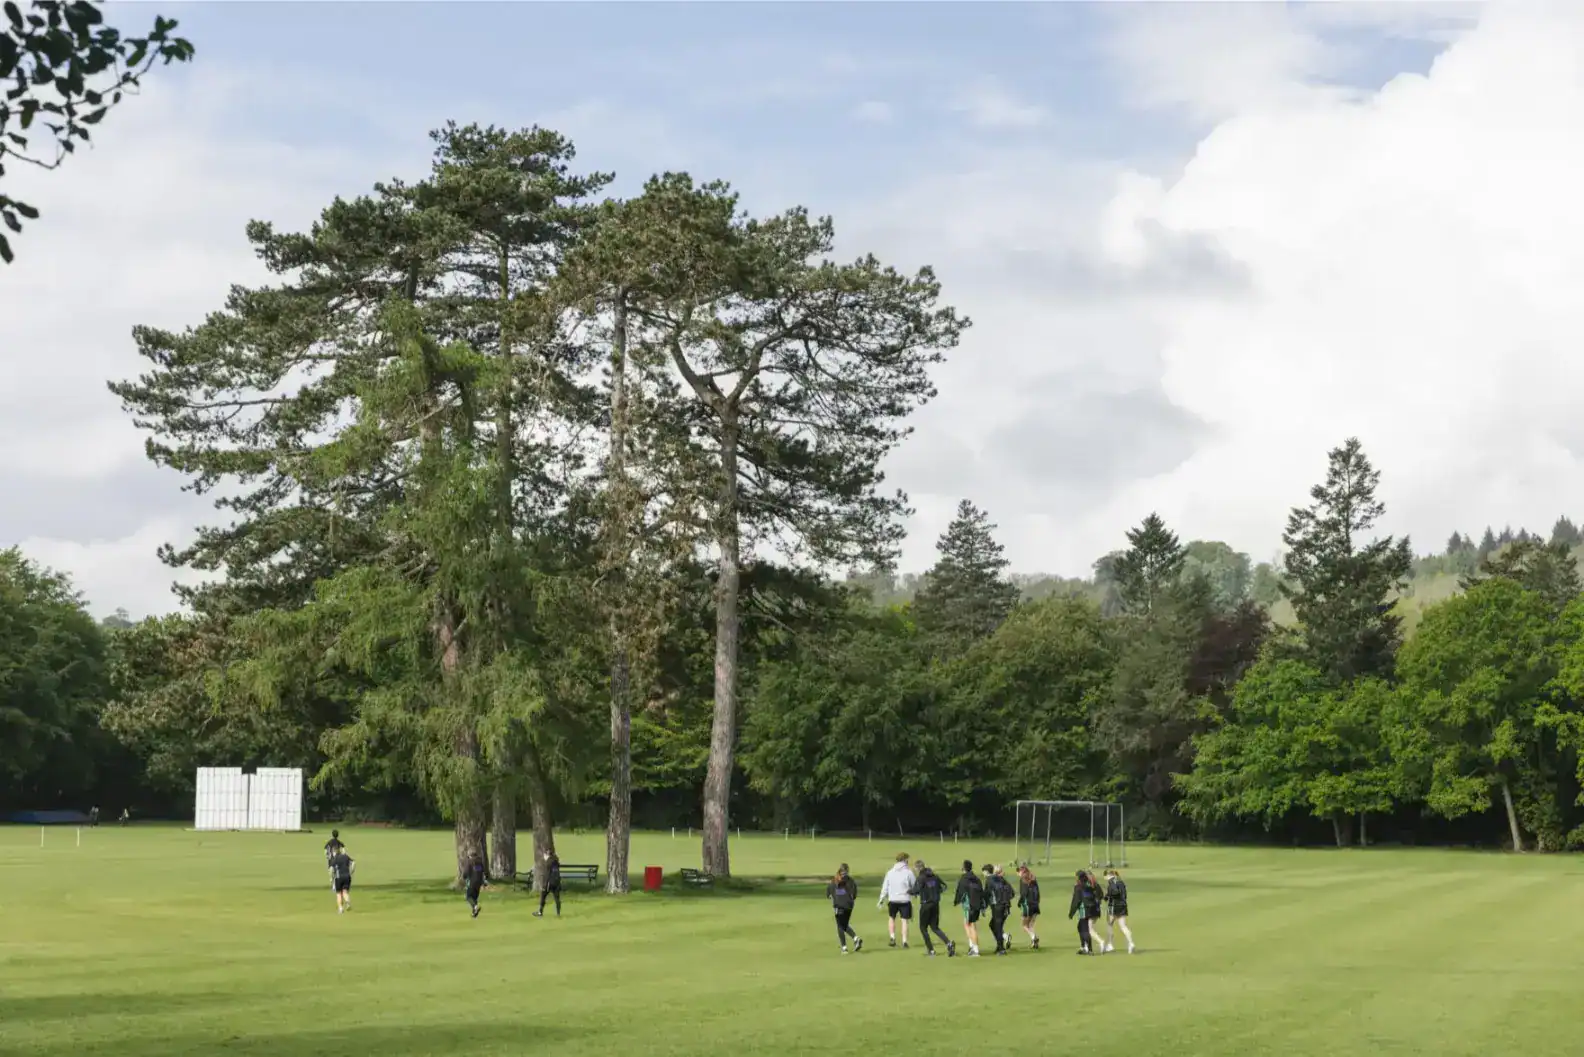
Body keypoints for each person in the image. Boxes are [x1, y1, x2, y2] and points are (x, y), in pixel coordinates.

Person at [910, 859, 955, 957]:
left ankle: (931, 950)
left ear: (918, 868)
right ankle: (949, 943)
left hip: (926, 905)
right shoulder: (934, 876)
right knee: (934, 927)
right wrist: (936, 893)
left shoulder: (921, 878)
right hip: (935, 904)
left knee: (923, 928)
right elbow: (944, 886)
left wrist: (908, 891)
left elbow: (916, 890)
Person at [877, 851, 915, 948]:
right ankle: (904, 941)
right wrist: (914, 893)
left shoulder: (890, 872)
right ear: (905, 860)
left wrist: (881, 899)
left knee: (891, 918)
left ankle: (892, 938)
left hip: (893, 899)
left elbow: (885, 887)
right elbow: (914, 885)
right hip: (905, 899)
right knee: (904, 921)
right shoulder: (908, 872)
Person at [826, 863, 864, 954]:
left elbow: (828, 894)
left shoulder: (834, 881)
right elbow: (854, 895)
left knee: (840, 926)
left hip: (839, 906)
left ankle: (844, 947)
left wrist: (835, 897)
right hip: (849, 906)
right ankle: (856, 939)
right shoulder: (851, 881)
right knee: (844, 924)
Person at [952, 858, 986, 957]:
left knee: (970, 926)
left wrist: (956, 901)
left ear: (963, 868)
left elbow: (960, 892)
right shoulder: (976, 879)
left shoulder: (964, 879)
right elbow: (981, 892)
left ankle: (975, 949)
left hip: (969, 906)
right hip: (976, 905)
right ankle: (972, 946)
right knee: (970, 925)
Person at [1102, 868, 1135, 954]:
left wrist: (1107, 896)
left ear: (1108, 875)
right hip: (1123, 905)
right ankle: (1131, 943)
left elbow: (1114, 892)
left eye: (1105, 876)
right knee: (1123, 926)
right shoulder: (1121, 881)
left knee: (1109, 924)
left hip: (1114, 906)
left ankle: (1110, 944)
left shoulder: (1112, 882)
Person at [1067, 869, 1100, 954]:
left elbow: (1076, 900)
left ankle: (1088, 949)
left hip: (1084, 910)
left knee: (1084, 929)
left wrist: (1071, 913)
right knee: (1080, 927)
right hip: (1092, 908)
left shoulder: (1078, 886)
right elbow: (1099, 894)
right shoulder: (1090, 884)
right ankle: (1084, 947)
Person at [985, 864, 1016, 955]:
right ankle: (999, 945)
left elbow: (987, 893)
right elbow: (1012, 893)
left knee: (997, 927)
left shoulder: (992, 880)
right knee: (993, 925)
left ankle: (1001, 948)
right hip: (1004, 907)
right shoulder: (1003, 881)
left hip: (998, 907)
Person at [1016, 864, 1041, 950]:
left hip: (1027, 905)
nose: (1017, 873)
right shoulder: (1033, 879)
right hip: (1036, 905)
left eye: (1018, 871)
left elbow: (1023, 893)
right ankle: (1034, 942)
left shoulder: (1023, 880)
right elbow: (1038, 893)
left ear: (1022, 872)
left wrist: (1019, 903)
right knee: (1030, 925)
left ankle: (1034, 937)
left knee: (1024, 925)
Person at [534, 850, 562, 918]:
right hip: (556, 882)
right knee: (557, 898)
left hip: (549, 883)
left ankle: (540, 912)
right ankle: (558, 913)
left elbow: (548, 874)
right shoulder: (555, 861)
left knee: (543, 896)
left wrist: (546, 883)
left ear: (547, 854)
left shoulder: (549, 862)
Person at [329, 846, 355, 913]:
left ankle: (340, 908)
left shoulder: (335, 859)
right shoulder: (345, 856)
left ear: (334, 852)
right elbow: (353, 863)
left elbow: (331, 869)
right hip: (347, 876)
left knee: (338, 893)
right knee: (345, 891)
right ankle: (348, 903)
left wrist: (331, 878)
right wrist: (352, 871)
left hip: (338, 877)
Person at [463, 853, 488, 919]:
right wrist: (484, 882)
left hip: (472, 882)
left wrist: (464, 877)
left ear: (471, 856)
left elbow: (466, 872)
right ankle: (474, 913)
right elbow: (483, 873)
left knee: (468, 897)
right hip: (478, 883)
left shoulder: (470, 862)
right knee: (474, 898)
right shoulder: (480, 863)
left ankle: (475, 907)